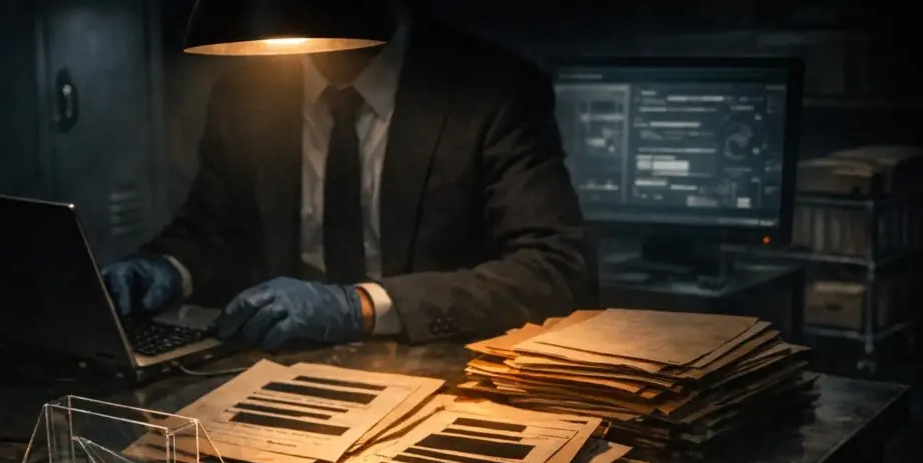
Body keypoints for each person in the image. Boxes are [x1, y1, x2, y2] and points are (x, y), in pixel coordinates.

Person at [103, 3, 592, 350]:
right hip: (282, 368)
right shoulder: (247, 93)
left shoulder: (488, 87)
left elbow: (553, 268)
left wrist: (357, 307)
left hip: (439, 372)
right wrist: (165, 269)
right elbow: (214, 230)